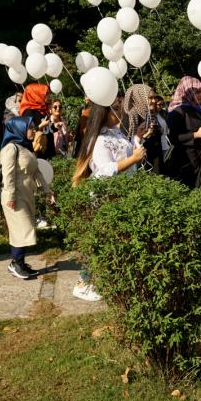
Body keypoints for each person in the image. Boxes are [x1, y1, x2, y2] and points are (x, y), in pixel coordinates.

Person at [71, 95, 146, 301]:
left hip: (123, 196)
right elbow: (104, 172)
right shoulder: (99, 139)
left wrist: (137, 139)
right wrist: (133, 159)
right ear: (107, 113)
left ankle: (107, 280)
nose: (121, 113)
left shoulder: (115, 132)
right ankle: (83, 283)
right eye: (117, 110)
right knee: (100, 243)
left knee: (115, 241)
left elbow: (127, 152)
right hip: (106, 199)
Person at [0, 115, 47, 280]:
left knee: (25, 229)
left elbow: (37, 172)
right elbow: (8, 175)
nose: (33, 130)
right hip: (14, 196)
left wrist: (48, 191)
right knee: (23, 229)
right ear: (19, 128)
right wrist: (11, 196)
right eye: (30, 127)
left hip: (26, 194)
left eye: (34, 127)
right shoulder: (11, 149)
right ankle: (16, 264)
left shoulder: (26, 148)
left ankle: (20, 262)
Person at [166, 76, 201, 187]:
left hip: (200, 158)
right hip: (186, 161)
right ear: (187, 93)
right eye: (196, 92)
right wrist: (196, 135)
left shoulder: (197, 109)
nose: (200, 95)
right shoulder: (178, 111)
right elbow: (174, 138)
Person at [122, 84, 166, 174]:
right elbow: (126, 146)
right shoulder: (131, 117)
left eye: (154, 97)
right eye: (150, 98)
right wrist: (143, 137)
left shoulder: (149, 114)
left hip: (155, 163)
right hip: (140, 168)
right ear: (139, 98)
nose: (154, 101)